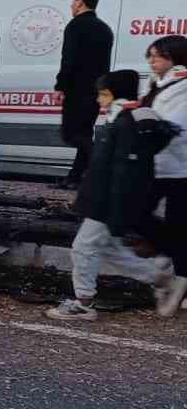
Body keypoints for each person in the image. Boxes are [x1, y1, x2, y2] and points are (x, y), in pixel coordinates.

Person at [46, 70, 177, 322]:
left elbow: (122, 174)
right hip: (101, 199)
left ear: (116, 94)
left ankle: (83, 303)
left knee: (83, 249)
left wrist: (117, 213)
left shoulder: (125, 124)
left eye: (103, 94)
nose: (98, 99)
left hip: (107, 203)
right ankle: (158, 277)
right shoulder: (120, 119)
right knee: (108, 249)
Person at [139, 34, 187, 316]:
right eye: (151, 56)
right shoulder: (156, 84)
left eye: (158, 56)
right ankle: (174, 261)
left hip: (180, 167)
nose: (152, 61)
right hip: (157, 164)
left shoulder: (183, 86)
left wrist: (143, 124)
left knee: (178, 222)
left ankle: (180, 274)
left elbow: (172, 125)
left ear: (176, 58)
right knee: (138, 213)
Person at [53, 0, 114, 188]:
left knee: (71, 134)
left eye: (73, 0)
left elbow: (68, 59)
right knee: (85, 132)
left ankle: (104, 160)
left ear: (80, 2)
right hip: (95, 90)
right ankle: (75, 177)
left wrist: (60, 85)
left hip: (77, 89)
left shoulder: (76, 25)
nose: (71, 4)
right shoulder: (105, 28)